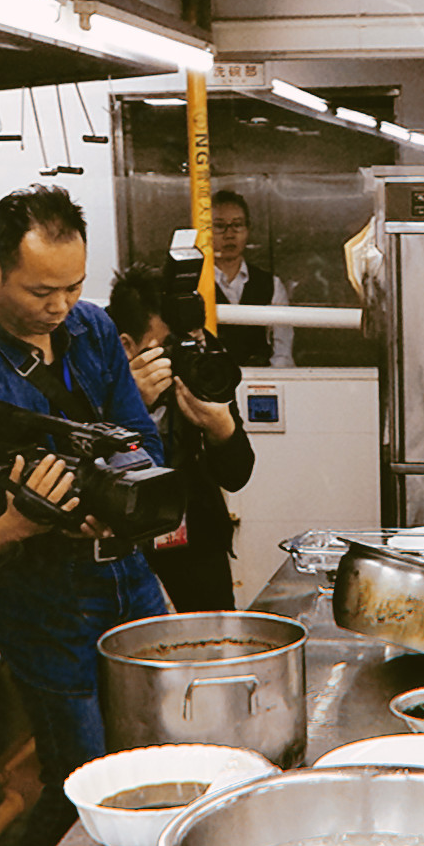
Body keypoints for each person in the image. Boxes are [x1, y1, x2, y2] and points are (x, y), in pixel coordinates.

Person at [0, 186, 171, 846]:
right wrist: (27, 521)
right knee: (86, 789)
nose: (58, 307)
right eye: (38, 291)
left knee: (163, 761)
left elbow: (146, 442)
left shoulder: (89, 330)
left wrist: (114, 497)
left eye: (72, 286)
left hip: (131, 582)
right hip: (44, 606)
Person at [108, 265, 255, 612]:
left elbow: (237, 475)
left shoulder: (201, 358)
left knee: (214, 642)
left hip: (195, 530)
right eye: (167, 348)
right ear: (127, 345)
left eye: (190, 340)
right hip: (118, 538)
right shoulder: (94, 365)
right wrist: (127, 403)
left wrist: (221, 429)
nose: (182, 355)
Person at [210, 189, 295, 369]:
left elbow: (282, 352)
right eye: (219, 226)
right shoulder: (195, 284)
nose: (229, 234)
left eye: (237, 225)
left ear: (248, 229)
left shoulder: (271, 285)